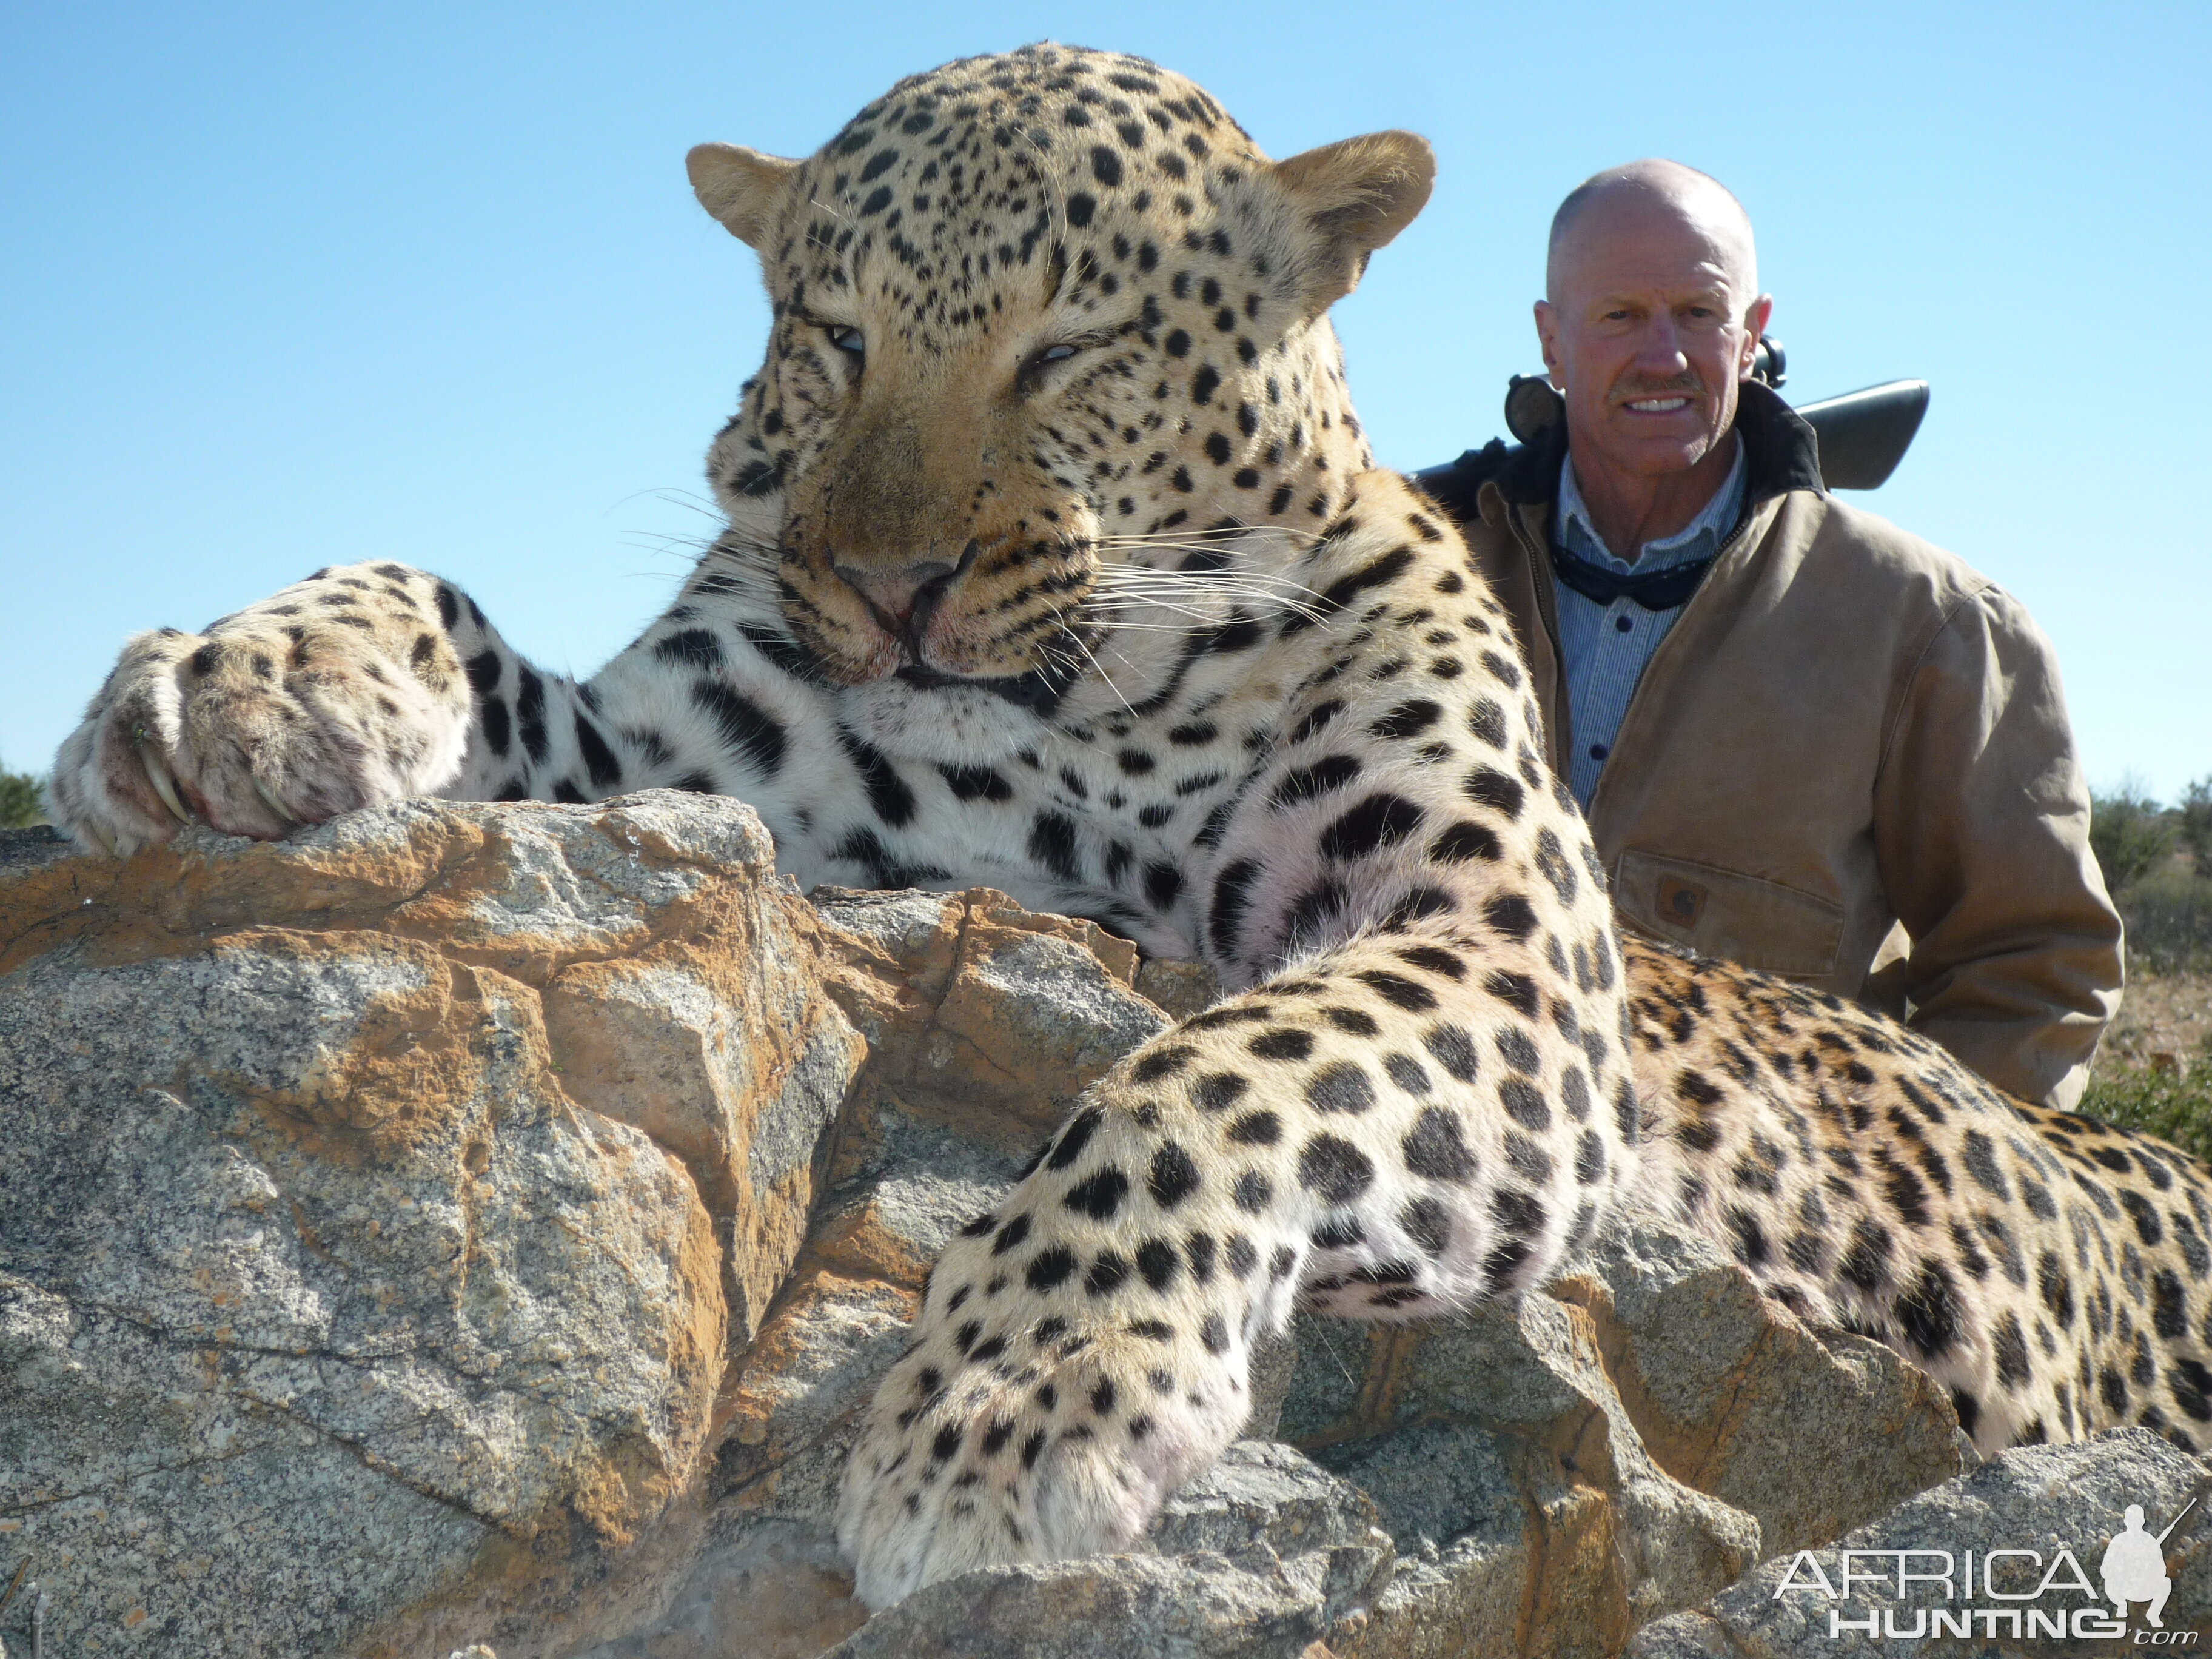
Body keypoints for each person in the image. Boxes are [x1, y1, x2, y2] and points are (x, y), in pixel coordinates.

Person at [1416, 161, 2120, 1108]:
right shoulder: (1407, 575)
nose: (1663, 355)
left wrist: (1880, 1204)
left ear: (1754, 334)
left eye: (1701, 314)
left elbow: (2034, 973)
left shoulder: (1934, 627)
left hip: (1756, 1234)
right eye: (1619, 314)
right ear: (1551, 339)